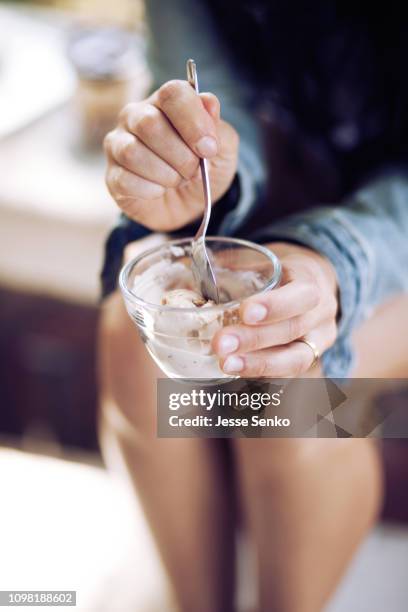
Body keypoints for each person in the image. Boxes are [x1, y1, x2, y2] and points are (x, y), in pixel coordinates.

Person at [99, 2, 408, 610]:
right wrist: (197, 171)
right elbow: (214, 95)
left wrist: (334, 256)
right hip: (286, 204)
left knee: (279, 392)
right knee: (131, 342)